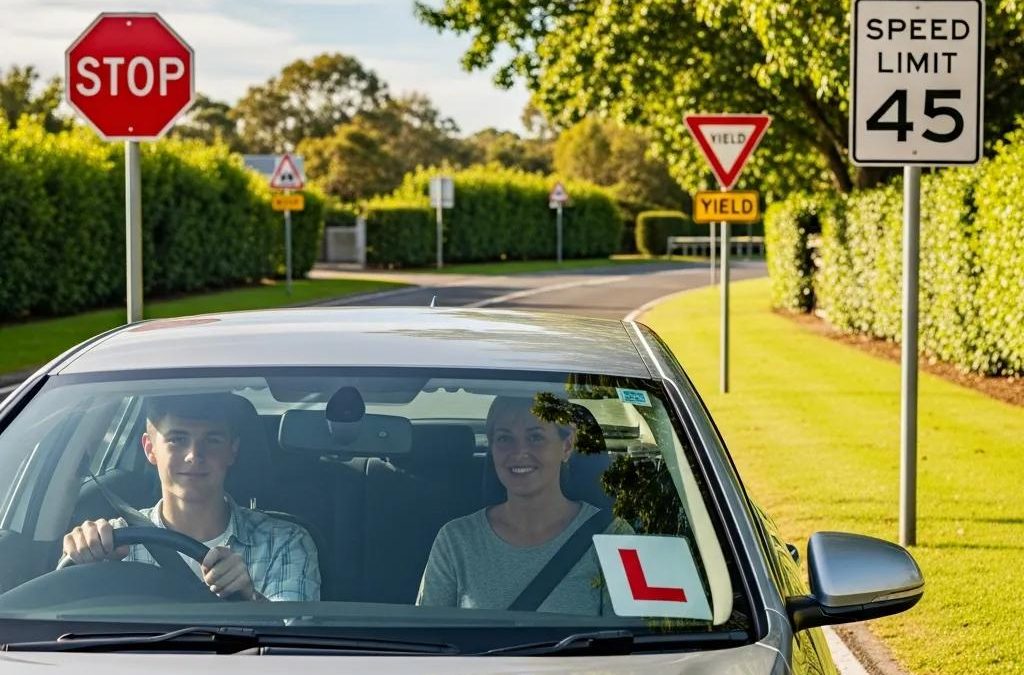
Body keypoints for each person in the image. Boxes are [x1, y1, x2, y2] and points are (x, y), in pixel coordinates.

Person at [62, 393, 320, 602]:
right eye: (177, 439)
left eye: (212, 440)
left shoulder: (283, 542)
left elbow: (295, 652)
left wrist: (251, 600)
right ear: (150, 449)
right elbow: (61, 630)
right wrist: (83, 560)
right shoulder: (111, 543)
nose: (193, 455)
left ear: (233, 451)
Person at [416, 395, 630, 615]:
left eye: (536, 437)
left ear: (566, 446)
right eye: (505, 439)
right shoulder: (455, 541)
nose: (519, 452)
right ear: (492, 448)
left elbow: (631, 641)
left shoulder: (613, 536)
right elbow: (430, 638)